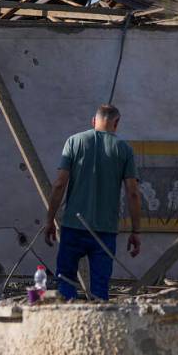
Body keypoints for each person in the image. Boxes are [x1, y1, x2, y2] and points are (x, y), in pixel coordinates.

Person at [44, 105, 142, 300]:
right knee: (100, 288)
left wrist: (49, 220)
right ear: (116, 123)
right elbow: (133, 193)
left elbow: (59, 184)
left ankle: (67, 326)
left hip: (73, 226)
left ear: (93, 121)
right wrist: (135, 231)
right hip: (105, 231)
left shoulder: (74, 142)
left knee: (66, 282)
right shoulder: (124, 150)